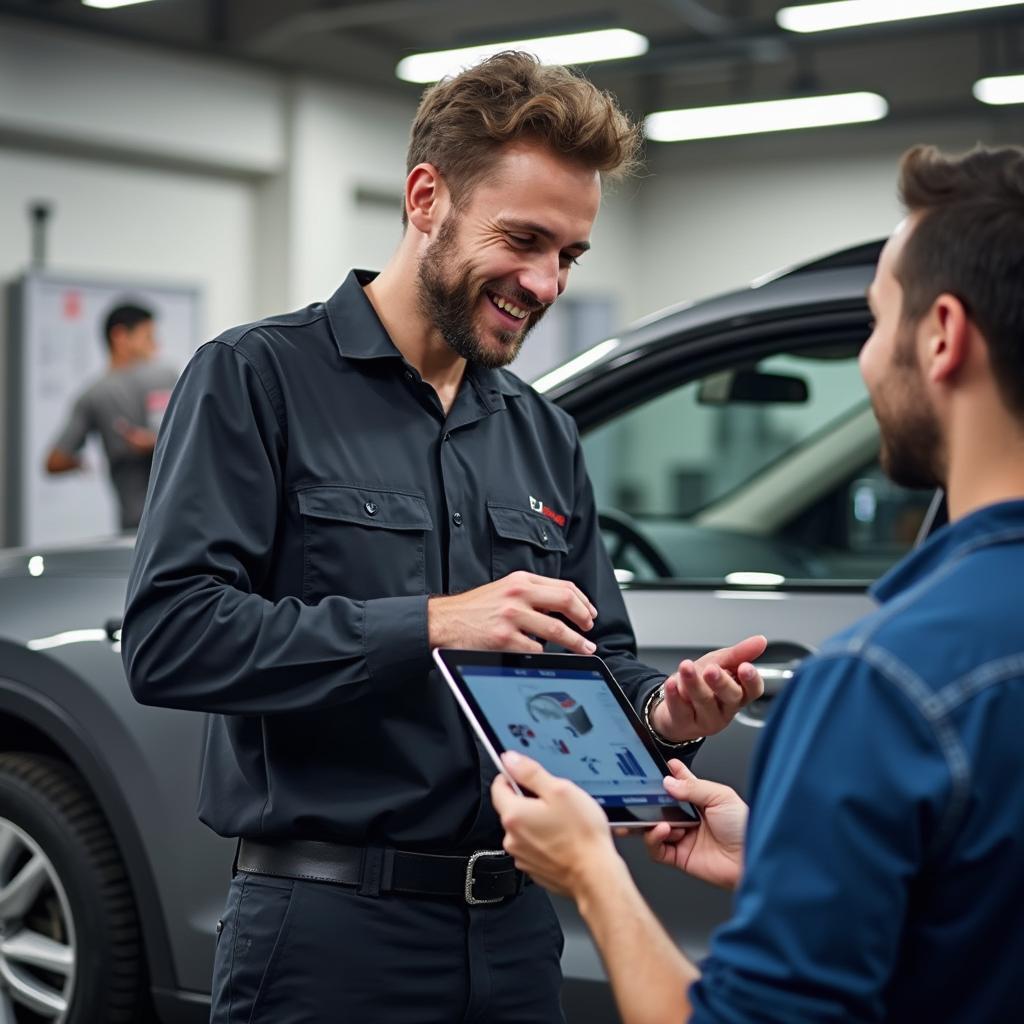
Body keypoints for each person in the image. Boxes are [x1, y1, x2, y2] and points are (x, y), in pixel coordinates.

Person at [121, 53, 766, 1024]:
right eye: (523, 239)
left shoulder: (540, 432)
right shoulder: (257, 379)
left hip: (516, 939)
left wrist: (664, 713)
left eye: (570, 256)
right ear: (427, 198)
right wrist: (428, 623)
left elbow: (600, 661)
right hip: (328, 937)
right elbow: (173, 637)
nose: (544, 282)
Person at [492, 142, 1024, 1024]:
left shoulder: (886, 684)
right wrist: (789, 852)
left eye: (875, 319)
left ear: (941, 338)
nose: (864, 359)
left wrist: (590, 870)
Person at [45, 302, 177, 531]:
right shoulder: (168, 377)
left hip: (136, 527)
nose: (155, 344)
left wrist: (84, 463)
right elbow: (199, 436)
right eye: (148, 337)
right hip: (176, 519)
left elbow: (55, 462)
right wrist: (159, 441)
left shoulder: (92, 394)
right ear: (120, 336)